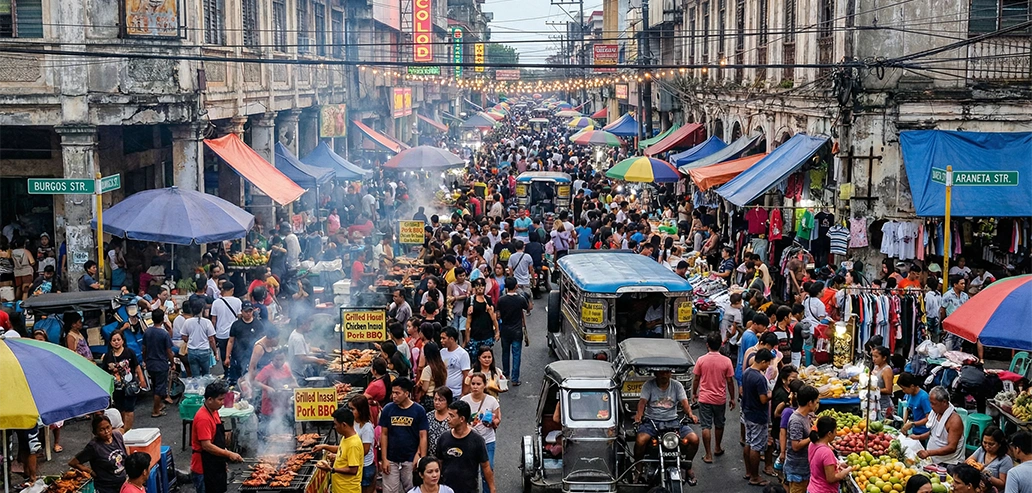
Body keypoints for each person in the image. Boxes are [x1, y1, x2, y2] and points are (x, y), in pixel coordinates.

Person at [633, 369, 700, 485]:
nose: (664, 375)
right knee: (640, 440)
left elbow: (684, 403)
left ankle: (687, 466)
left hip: (673, 421)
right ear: (655, 373)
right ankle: (638, 468)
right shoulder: (648, 385)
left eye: (667, 372)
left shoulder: (677, 386)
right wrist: (639, 416)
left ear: (670, 373)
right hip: (652, 422)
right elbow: (642, 402)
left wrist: (690, 414)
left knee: (694, 439)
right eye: (661, 372)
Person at [190, 381, 243, 493]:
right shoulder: (203, 418)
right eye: (220, 400)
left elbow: (216, 440)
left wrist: (222, 459)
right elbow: (206, 446)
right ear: (210, 399)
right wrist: (229, 454)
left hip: (214, 462)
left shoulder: (214, 411)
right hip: (204, 467)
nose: (223, 403)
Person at [378, 377, 428, 493]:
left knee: (412, 489)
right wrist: (384, 458)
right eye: (393, 392)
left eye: (397, 393)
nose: (394, 396)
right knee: (390, 490)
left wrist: (421, 457)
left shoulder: (419, 410)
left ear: (406, 393)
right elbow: (384, 434)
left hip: (411, 459)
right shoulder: (388, 409)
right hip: (391, 458)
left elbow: (423, 436)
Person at [692, 332, 735, 464]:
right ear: (720, 344)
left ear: (707, 345)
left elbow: (696, 378)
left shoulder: (701, 360)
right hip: (719, 398)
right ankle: (717, 447)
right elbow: (730, 382)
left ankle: (708, 454)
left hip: (704, 398)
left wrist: (694, 393)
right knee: (719, 424)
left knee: (706, 426)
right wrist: (732, 398)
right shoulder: (726, 361)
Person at [438, 400, 496, 493]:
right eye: (448, 415)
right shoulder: (444, 438)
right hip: (446, 489)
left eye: (452, 416)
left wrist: (492, 488)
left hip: (469, 489)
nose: (448, 418)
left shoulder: (477, 440)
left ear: (462, 419)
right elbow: (439, 463)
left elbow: (485, 466)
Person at [70, 415, 128, 493]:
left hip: (123, 483)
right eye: (102, 430)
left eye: (108, 427)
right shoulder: (93, 447)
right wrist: (91, 472)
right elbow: (73, 463)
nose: (106, 432)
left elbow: (125, 452)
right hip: (106, 488)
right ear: (95, 432)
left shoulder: (117, 436)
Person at [102, 330, 146, 432]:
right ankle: (123, 429)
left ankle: (127, 430)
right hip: (116, 388)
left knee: (129, 409)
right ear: (110, 342)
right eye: (114, 340)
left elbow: (137, 367)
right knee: (120, 409)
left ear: (122, 341)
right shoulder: (107, 356)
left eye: (118, 339)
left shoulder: (129, 352)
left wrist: (142, 379)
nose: (116, 342)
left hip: (130, 386)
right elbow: (104, 372)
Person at [742, 348, 774, 486]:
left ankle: (749, 472)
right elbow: (763, 399)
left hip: (748, 413)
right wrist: (771, 394)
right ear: (763, 361)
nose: (768, 366)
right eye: (768, 363)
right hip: (758, 415)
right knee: (756, 446)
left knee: (749, 442)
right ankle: (755, 477)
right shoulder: (759, 378)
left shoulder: (747, 372)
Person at [910, 386, 965, 464]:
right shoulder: (936, 412)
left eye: (933, 404)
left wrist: (929, 453)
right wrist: (918, 437)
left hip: (948, 462)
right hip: (932, 458)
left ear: (944, 402)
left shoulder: (954, 421)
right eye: (930, 403)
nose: (931, 406)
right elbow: (933, 433)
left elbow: (951, 447)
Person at [314, 407, 364, 493]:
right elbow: (341, 449)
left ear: (344, 425)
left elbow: (353, 470)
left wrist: (331, 469)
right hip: (340, 488)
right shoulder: (346, 437)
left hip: (347, 490)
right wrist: (325, 446)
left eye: (336, 424)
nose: (335, 427)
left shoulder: (353, 444)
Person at [784, 385, 821, 493]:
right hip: (797, 470)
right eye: (816, 402)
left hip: (804, 467)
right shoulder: (796, 420)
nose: (817, 404)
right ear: (810, 402)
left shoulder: (806, 416)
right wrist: (811, 437)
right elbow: (795, 446)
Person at [254, 348, 297, 435]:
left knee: (286, 433)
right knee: (268, 434)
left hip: (284, 407)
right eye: (277, 359)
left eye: (282, 359)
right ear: (272, 358)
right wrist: (267, 388)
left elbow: (295, 383)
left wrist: (286, 386)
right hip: (269, 407)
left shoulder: (286, 367)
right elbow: (255, 382)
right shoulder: (267, 369)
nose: (280, 362)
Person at [495, 276, 530, 385]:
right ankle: (515, 379)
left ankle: (506, 374)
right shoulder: (520, 299)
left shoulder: (501, 300)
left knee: (505, 353)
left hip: (505, 330)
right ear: (516, 286)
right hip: (517, 331)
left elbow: (498, 315)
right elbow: (528, 308)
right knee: (516, 354)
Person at [142, 309, 174, 418]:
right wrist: (172, 363)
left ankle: (158, 405)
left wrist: (145, 360)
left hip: (150, 363)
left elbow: (144, 348)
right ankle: (155, 410)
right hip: (161, 364)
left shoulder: (147, 332)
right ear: (162, 319)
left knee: (155, 385)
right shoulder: (164, 334)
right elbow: (169, 351)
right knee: (159, 388)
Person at [808, 416, 852, 493]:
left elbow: (820, 466)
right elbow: (831, 478)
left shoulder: (812, 444)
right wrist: (848, 470)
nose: (836, 434)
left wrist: (838, 465)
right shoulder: (826, 452)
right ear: (829, 433)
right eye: (835, 431)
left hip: (812, 488)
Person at [224, 301, 264, 385]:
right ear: (242, 311)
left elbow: (262, 340)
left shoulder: (258, 324)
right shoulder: (236, 325)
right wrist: (227, 357)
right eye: (246, 311)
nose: (248, 313)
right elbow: (231, 341)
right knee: (238, 379)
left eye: (250, 311)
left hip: (253, 356)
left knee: (252, 379)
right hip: (238, 356)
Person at [967, 426, 1012, 492]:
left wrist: (986, 475)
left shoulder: (1005, 460)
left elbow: (1003, 484)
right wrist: (974, 465)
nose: (987, 447)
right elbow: (968, 461)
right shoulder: (981, 450)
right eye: (985, 443)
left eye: (991, 444)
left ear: (1000, 444)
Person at [209, 281, 240, 372]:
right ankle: (233, 372)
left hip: (221, 334)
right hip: (234, 333)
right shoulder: (238, 301)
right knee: (234, 354)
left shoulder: (216, 303)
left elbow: (213, 320)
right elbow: (239, 317)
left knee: (223, 354)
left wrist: (212, 333)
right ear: (232, 290)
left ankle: (226, 372)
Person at [287, 315, 327, 381]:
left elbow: (303, 348)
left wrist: (316, 350)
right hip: (297, 373)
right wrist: (317, 361)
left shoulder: (297, 334)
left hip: (301, 371)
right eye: (309, 324)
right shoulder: (297, 339)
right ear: (303, 325)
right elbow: (302, 359)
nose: (310, 327)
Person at [439, 327, 471, 396]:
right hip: (444, 392)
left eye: (444, 338)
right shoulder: (442, 352)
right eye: (441, 338)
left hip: (457, 393)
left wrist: (463, 393)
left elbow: (466, 375)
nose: (441, 341)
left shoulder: (462, 354)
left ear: (451, 339)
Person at [898, 372, 932, 436]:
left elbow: (929, 418)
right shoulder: (909, 394)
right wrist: (904, 424)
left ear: (912, 386)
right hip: (913, 431)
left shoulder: (923, 397)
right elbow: (908, 409)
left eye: (904, 389)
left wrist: (912, 424)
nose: (903, 391)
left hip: (923, 433)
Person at [426, 387, 453, 459]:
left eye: (441, 400)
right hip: (431, 457)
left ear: (448, 401)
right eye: (435, 399)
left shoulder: (452, 417)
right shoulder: (428, 416)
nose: (437, 402)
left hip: (449, 457)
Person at [871, 346, 895, 420]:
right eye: (873, 356)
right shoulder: (876, 367)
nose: (873, 359)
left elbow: (889, 390)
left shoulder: (886, 370)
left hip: (883, 406)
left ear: (884, 358)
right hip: (875, 403)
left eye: (876, 357)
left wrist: (875, 389)